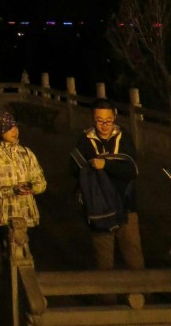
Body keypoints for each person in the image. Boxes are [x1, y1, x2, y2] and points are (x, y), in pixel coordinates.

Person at [70, 98, 144, 280]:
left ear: (115, 117)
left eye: (108, 120)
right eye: (99, 121)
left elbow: (131, 170)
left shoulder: (124, 138)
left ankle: (141, 296)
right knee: (104, 261)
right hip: (99, 209)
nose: (104, 125)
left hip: (126, 207)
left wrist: (105, 164)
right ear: (93, 119)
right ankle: (107, 302)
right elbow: (73, 169)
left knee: (133, 256)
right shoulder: (85, 140)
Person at [0, 111, 47, 254]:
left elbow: (41, 182)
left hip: (29, 217)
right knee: (10, 256)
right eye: (8, 128)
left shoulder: (26, 153)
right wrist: (13, 190)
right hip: (4, 219)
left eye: (15, 127)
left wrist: (31, 187)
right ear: (0, 131)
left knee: (29, 255)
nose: (14, 131)